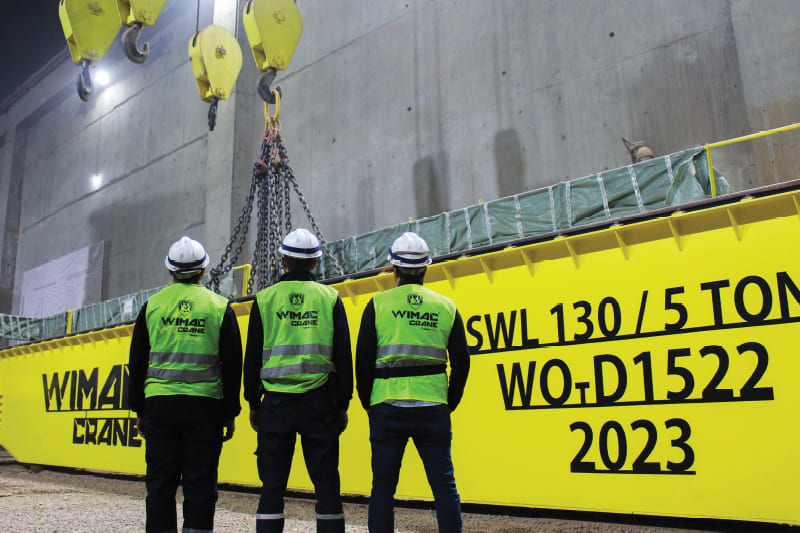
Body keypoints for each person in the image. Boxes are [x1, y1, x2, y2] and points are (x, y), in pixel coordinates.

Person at [355, 232, 470, 533]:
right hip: (433, 407)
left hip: (387, 406)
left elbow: (363, 361)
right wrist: (449, 400)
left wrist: (370, 402)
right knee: (444, 485)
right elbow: (462, 360)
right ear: (425, 268)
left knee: (382, 488)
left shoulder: (378, 305)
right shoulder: (446, 306)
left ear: (393, 268)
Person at [128, 236, 243, 533]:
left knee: (160, 484)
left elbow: (137, 362)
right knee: (201, 483)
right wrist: (230, 412)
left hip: (159, 408)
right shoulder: (219, 307)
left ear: (170, 271)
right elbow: (232, 366)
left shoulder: (152, 306)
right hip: (205, 411)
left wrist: (139, 409)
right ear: (203, 271)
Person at [243, 228, 353, 533]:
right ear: (316, 263)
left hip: (275, 405)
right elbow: (343, 355)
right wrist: (343, 403)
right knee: (327, 483)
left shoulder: (264, 300)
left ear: (282, 260)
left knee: (272, 486)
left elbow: (252, 358)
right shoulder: (330, 298)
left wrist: (254, 403)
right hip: (320, 403)